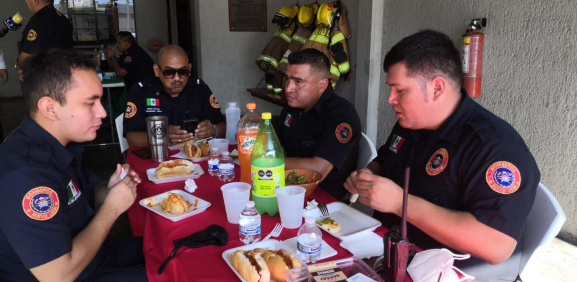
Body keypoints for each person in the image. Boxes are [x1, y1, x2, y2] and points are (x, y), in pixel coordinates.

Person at [344, 30, 540, 281]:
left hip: (447, 272)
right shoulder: (410, 122)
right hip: (383, 254)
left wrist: (399, 203)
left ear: (436, 88)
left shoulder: (492, 146)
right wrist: (367, 176)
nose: (390, 99)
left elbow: (496, 246)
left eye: (399, 90)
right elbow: (384, 160)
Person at [0, 49, 148, 281]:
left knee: (176, 247)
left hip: (93, 257)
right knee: (177, 275)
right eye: (90, 103)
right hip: (71, 272)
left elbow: (78, 201)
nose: (102, 112)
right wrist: (112, 209)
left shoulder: (59, 144)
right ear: (50, 108)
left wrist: (110, 190)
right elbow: (58, 275)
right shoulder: (26, 174)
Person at [275, 48, 360, 201]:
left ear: (322, 85)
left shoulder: (341, 115)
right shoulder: (293, 107)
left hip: (323, 200)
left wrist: (268, 162)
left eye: (298, 81)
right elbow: (273, 142)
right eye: (287, 79)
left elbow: (317, 169)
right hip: (288, 188)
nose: (288, 88)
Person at [123, 45, 225, 148]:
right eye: (169, 72)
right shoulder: (141, 92)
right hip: (156, 158)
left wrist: (212, 130)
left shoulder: (199, 89)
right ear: (157, 70)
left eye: (183, 71)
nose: (177, 78)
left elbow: (222, 127)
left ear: (189, 68)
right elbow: (131, 139)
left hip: (194, 157)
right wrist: (163, 136)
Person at [17, 0, 73, 77]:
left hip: (44, 78)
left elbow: (26, 58)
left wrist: (20, 67)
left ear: (36, 0)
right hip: (64, 74)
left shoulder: (38, 21)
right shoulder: (63, 19)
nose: (26, 1)